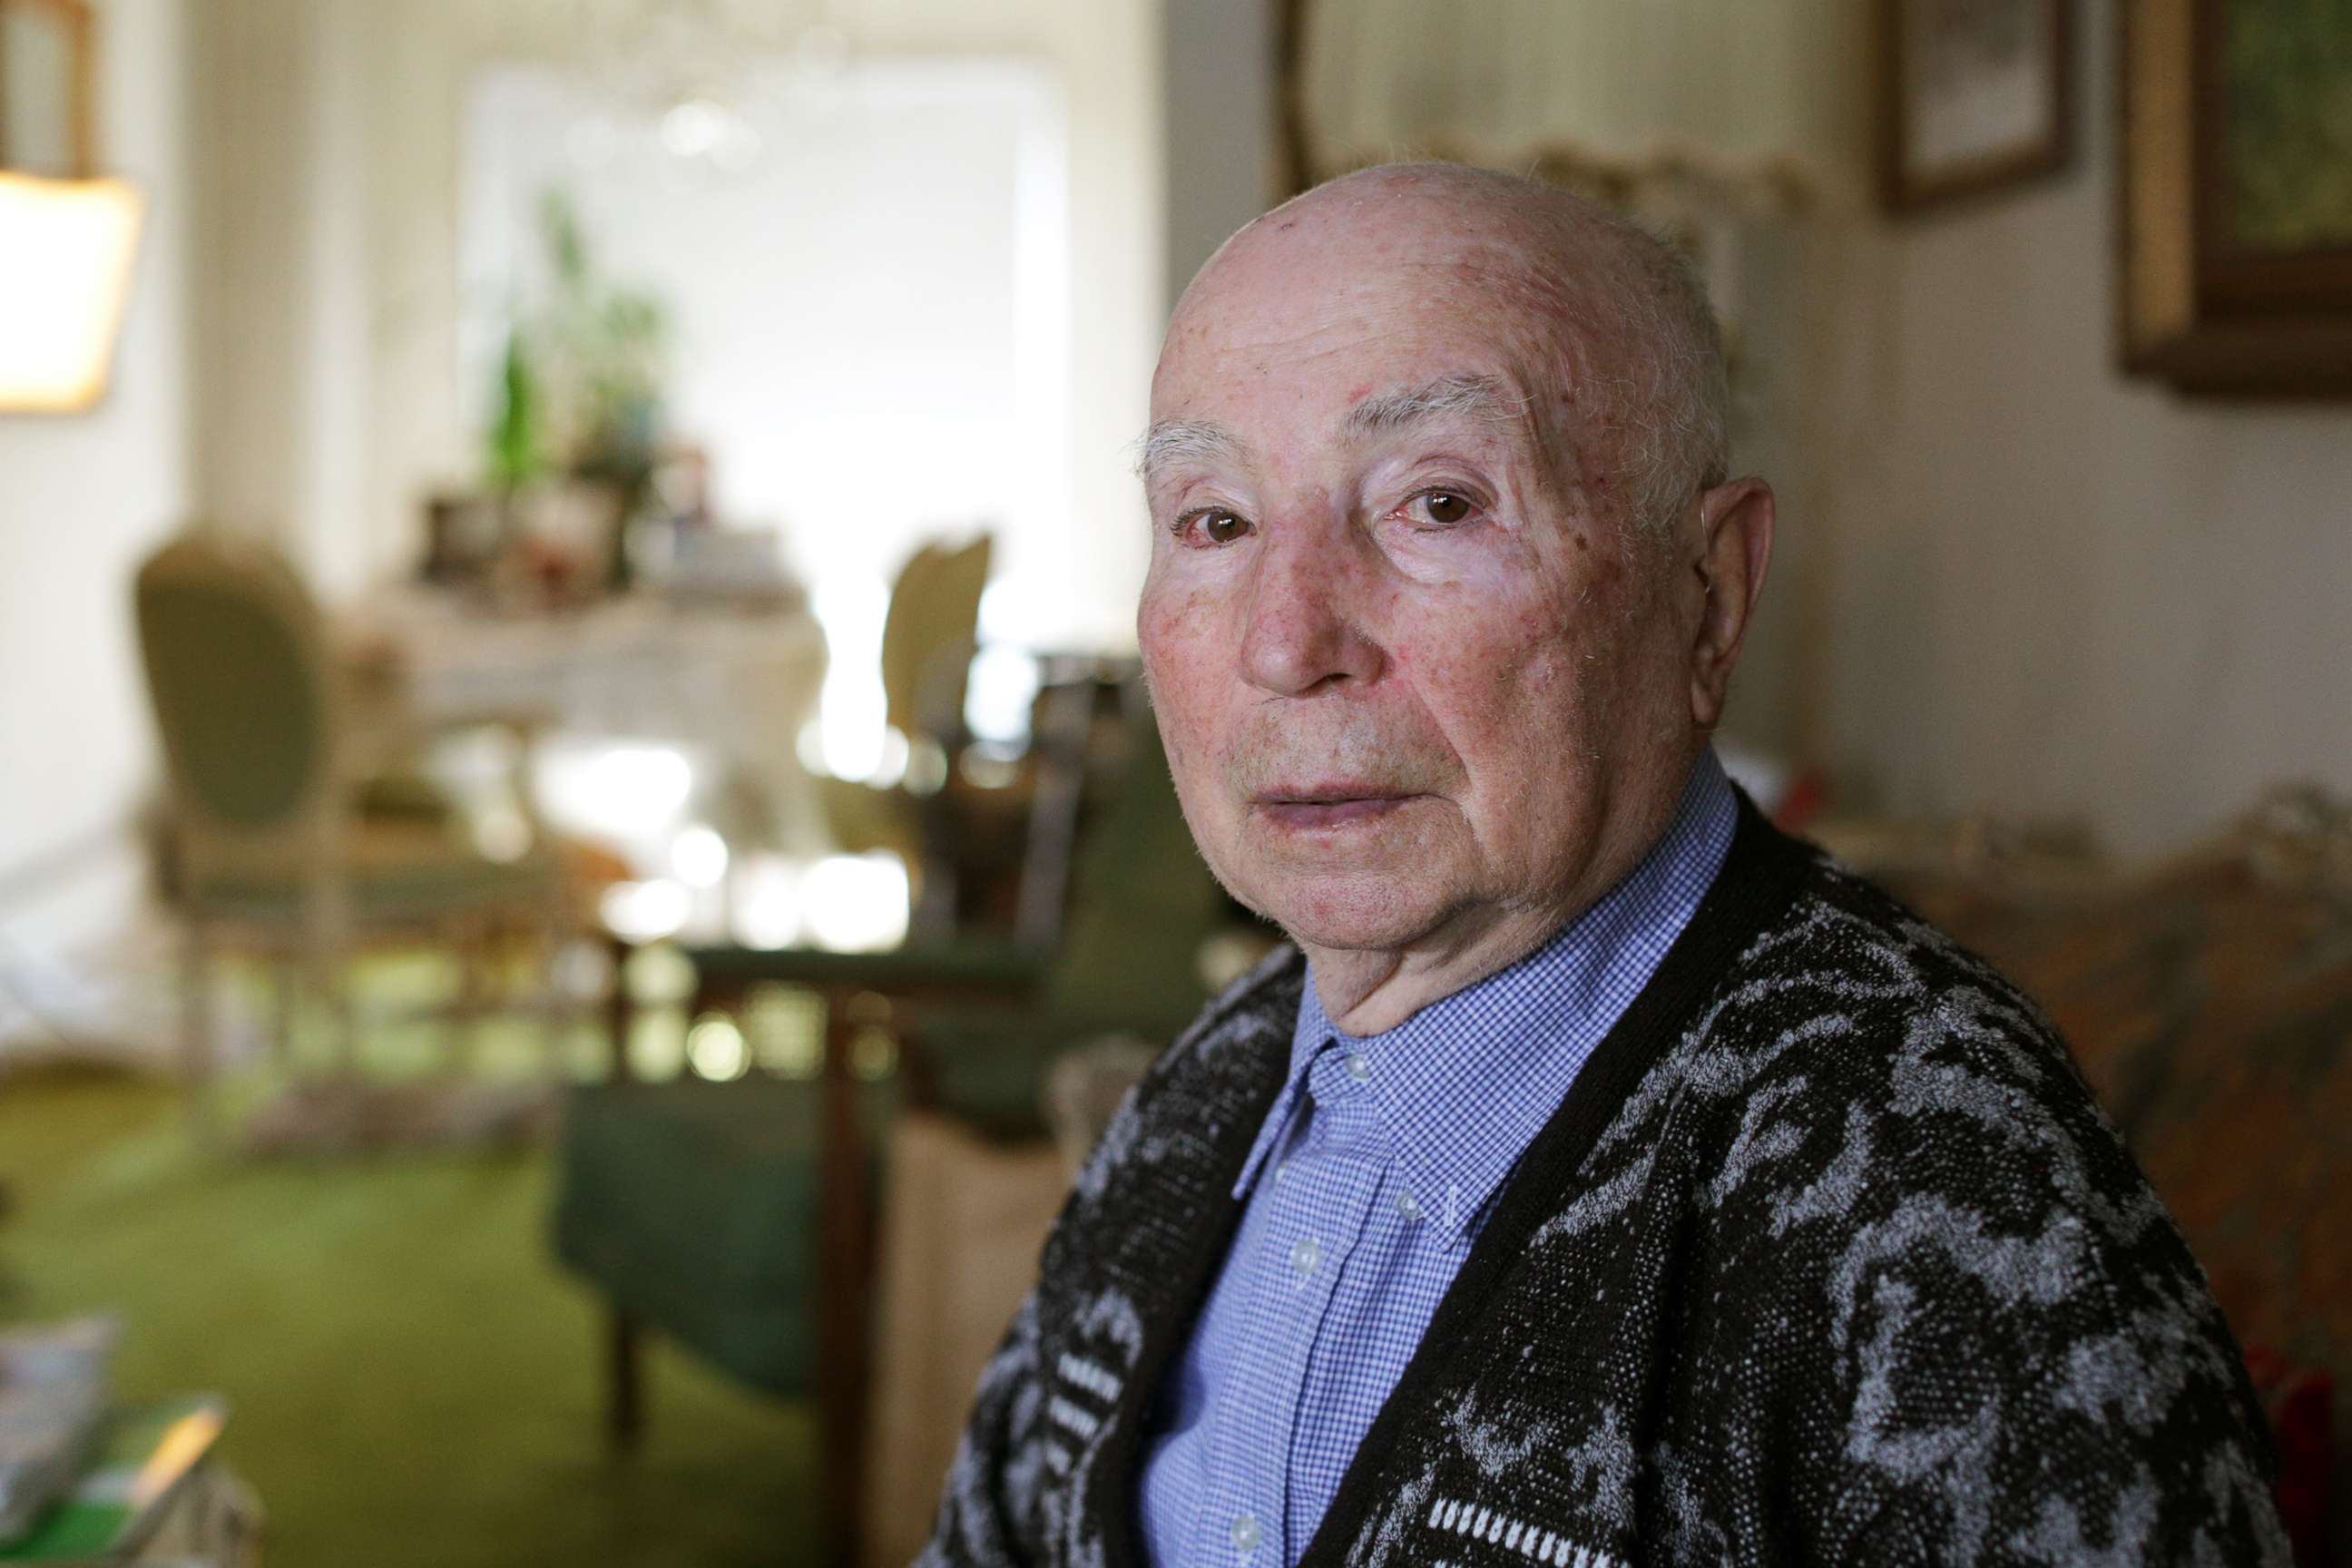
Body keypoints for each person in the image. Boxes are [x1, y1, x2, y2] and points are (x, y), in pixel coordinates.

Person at [917, 163, 2287, 1567]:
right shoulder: (1210, 1087)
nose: (1286, 640)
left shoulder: (1937, 1194)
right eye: (1213, 521)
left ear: (1709, 594)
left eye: (1437, 505)